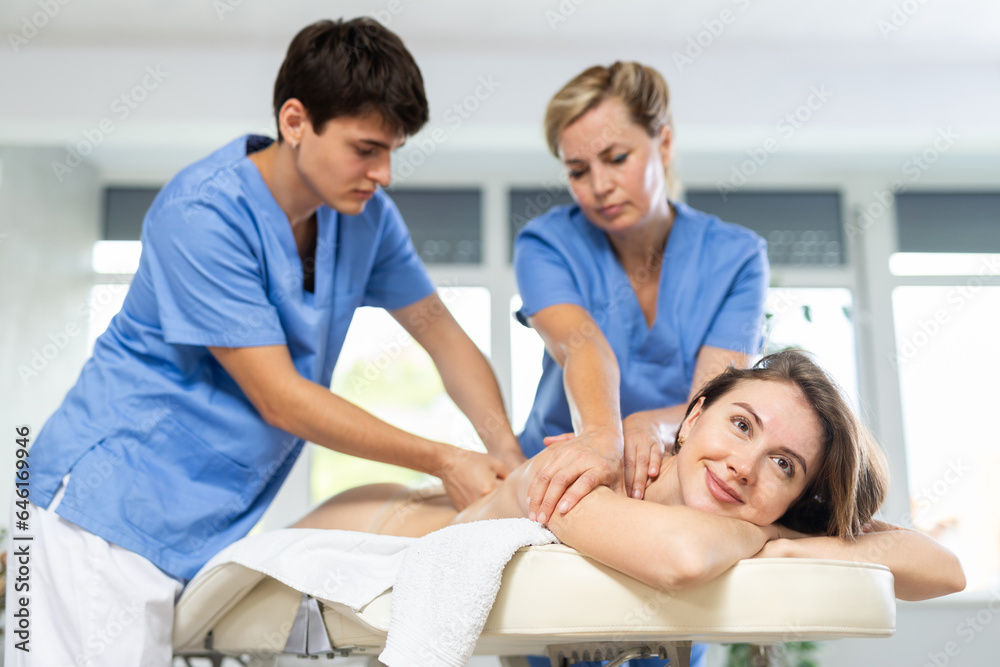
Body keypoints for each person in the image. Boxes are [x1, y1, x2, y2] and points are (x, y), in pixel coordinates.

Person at [9, 18, 524, 666]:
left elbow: (442, 336)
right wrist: (445, 459)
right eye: (366, 148)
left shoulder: (364, 221)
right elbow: (281, 397)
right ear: (295, 120)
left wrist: (505, 451)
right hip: (99, 512)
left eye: (393, 150)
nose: (384, 173)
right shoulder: (203, 214)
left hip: (192, 526)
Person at [296, 350, 966, 604]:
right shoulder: (589, 474)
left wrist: (797, 539)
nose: (744, 464)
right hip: (359, 529)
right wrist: (767, 535)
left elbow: (941, 567)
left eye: (783, 465)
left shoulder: (743, 517)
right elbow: (678, 556)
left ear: (799, 492)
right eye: (741, 424)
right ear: (695, 413)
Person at [512, 62, 770, 533]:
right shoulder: (545, 244)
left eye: (616, 158)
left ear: (664, 144)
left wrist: (649, 426)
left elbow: (713, 402)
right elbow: (581, 343)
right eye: (577, 170)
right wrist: (600, 436)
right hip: (559, 470)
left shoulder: (737, 256)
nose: (599, 186)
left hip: (671, 481)